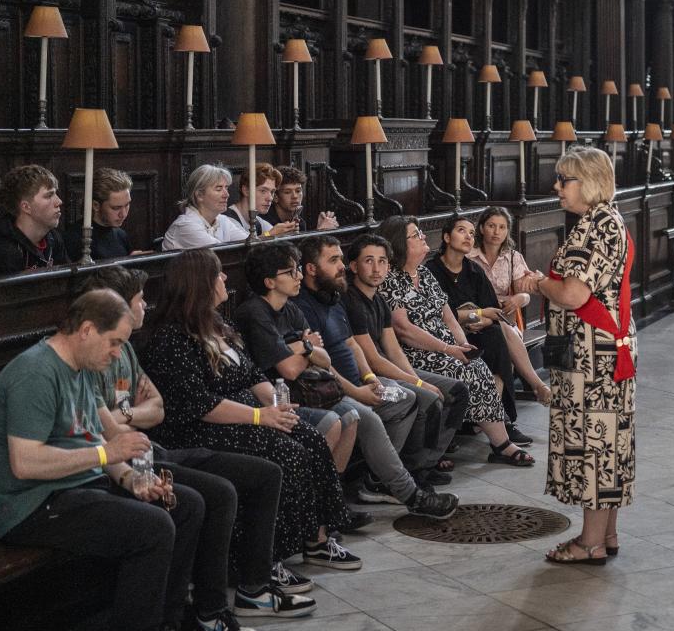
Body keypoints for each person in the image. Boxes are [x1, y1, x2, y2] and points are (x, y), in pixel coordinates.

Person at [82, 265, 316, 631]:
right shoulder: (128, 347)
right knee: (211, 493)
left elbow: (151, 408)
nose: (147, 306)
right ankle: (203, 611)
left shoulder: (123, 349)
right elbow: (113, 423)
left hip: (146, 447)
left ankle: (253, 589)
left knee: (265, 472)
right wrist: (129, 443)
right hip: (161, 445)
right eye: (140, 300)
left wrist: (126, 417)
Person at [0, 290, 203, 631]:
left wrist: (131, 478)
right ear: (85, 330)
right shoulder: (35, 372)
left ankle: (163, 624)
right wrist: (107, 457)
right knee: (152, 527)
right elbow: (25, 462)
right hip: (30, 503)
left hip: (75, 486)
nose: (118, 354)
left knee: (184, 505)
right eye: (114, 342)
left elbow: (93, 439)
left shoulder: (79, 370)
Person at [139, 249, 367, 574]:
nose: (224, 278)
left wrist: (274, 406)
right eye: (217, 274)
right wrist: (261, 417)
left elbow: (251, 374)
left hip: (245, 414)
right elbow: (198, 403)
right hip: (200, 428)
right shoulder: (171, 338)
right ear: (198, 283)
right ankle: (268, 559)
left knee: (310, 438)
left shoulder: (217, 323)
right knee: (288, 453)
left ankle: (317, 540)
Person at [513, 146, 637, 564]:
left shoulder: (597, 225)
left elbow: (573, 293)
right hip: (602, 349)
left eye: (564, 180)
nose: (557, 187)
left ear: (589, 182)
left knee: (593, 443)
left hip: (592, 356)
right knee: (609, 441)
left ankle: (589, 543)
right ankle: (608, 534)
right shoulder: (603, 220)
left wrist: (536, 283)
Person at [295, 234, 460, 517]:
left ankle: (385, 478)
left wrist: (370, 379)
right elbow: (319, 367)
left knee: (407, 398)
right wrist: (358, 390)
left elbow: (352, 345)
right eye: (333, 260)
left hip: (360, 380)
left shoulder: (333, 297)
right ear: (311, 268)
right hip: (331, 388)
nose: (341, 267)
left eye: (382, 261)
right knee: (382, 409)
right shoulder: (303, 307)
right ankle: (406, 491)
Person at [376, 216, 534, 467]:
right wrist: (448, 348)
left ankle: (500, 443)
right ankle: (437, 450)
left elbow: (447, 316)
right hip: (416, 352)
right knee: (465, 371)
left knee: (477, 364)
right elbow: (403, 329)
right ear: (399, 243)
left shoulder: (424, 274)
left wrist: (462, 345)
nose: (423, 237)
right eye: (416, 234)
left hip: (446, 347)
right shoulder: (390, 279)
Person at [342, 234, 467, 480]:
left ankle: (424, 463)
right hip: (371, 375)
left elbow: (393, 349)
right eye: (369, 261)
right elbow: (374, 360)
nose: (377, 269)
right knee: (428, 399)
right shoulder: (351, 301)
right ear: (354, 266)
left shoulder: (379, 300)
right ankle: (400, 473)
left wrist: (416, 378)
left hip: (390, 368)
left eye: (382, 262)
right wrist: (419, 383)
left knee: (457, 392)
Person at [433, 214, 551, 440]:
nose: (468, 236)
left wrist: (483, 318)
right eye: (461, 231)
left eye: (470, 232)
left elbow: (492, 312)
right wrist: (479, 314)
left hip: (481, 328)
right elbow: (441, 315)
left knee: (497, 336)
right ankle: (499, 421)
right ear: (446, 237)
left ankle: (497, 420)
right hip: (448, 335)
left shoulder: (474, 270)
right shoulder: (433, 271)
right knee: (499, 335)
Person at [235, 241, 356, 462]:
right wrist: (307, 346)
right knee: (332, 421)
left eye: (297, 269)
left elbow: (325, 359)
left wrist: (301, 348)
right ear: (270, 281)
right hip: (274, 396)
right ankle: (315, 487)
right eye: (291, 272)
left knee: (352, 416)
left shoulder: (291, 307)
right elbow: (289, 370)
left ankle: (332, 488)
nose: (299, 276)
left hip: (307, 387)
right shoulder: (255, 313)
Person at [64, 167, 144, 261]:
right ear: (96, 205)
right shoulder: (75, 238)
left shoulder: (121, 235)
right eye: (116, 208)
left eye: (127, 205)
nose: (123, 214)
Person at [162, 164, 249, 251]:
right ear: (199, 195)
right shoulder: (186, 225)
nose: (226, 195)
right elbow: (221, 253)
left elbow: (251, 244)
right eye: (219, 189)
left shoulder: (222, 220)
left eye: (226, 188)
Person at [227, 164, 297, 238]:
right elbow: (246, 246)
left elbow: (271, 232)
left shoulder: (258, 221)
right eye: (263, 191)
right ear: (246, 190)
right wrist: (269, 234)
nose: (270, 198)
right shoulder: (228, 220)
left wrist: (287, 230)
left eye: (272, 192)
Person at [265, 165, 338, 231]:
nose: (295, 196)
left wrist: (319, 229)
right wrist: (319, 231)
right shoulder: (264, 220)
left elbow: (301, 245)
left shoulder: (300, 222)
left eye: (298, 191)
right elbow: (263, 238)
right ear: (275, 197)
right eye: (287, 192)